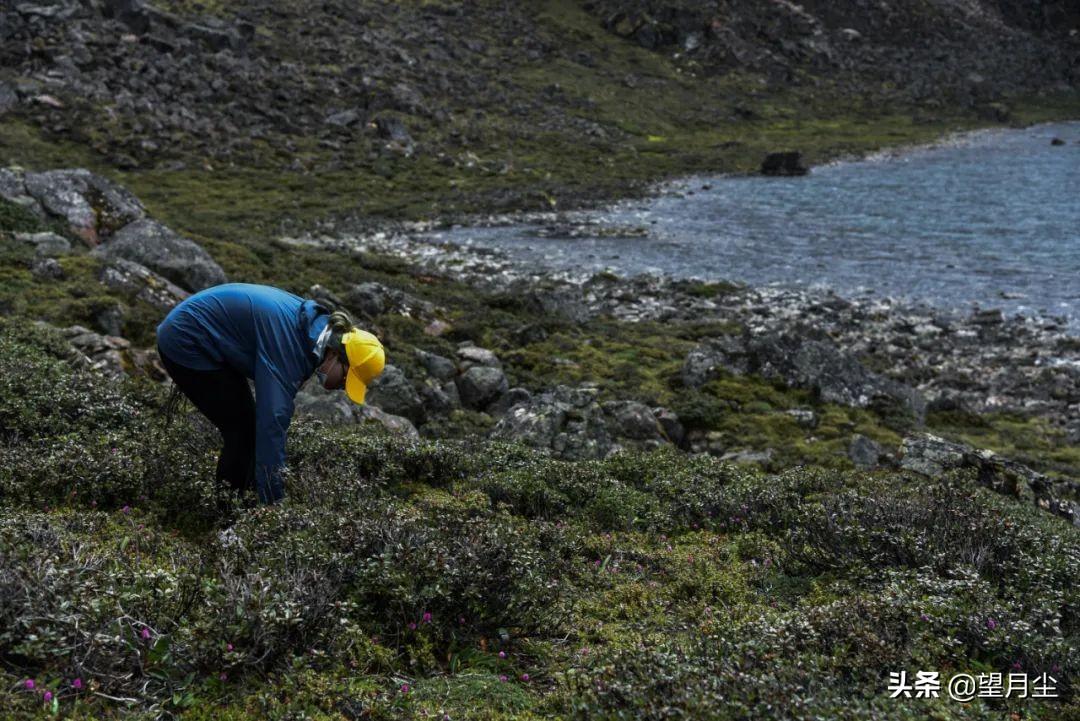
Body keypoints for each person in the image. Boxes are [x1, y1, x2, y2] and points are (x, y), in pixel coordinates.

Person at [156, 282, 385, 505]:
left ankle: (244, 501)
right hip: (185, 339)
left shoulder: (312, 330)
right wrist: (274, 506)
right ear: (336, 355)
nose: (343, 387)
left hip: (205, 335)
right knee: (243, 433)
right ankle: (228, 515)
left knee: (248, 428)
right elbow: (272, 424)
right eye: (346, 379)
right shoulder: (290, 349)